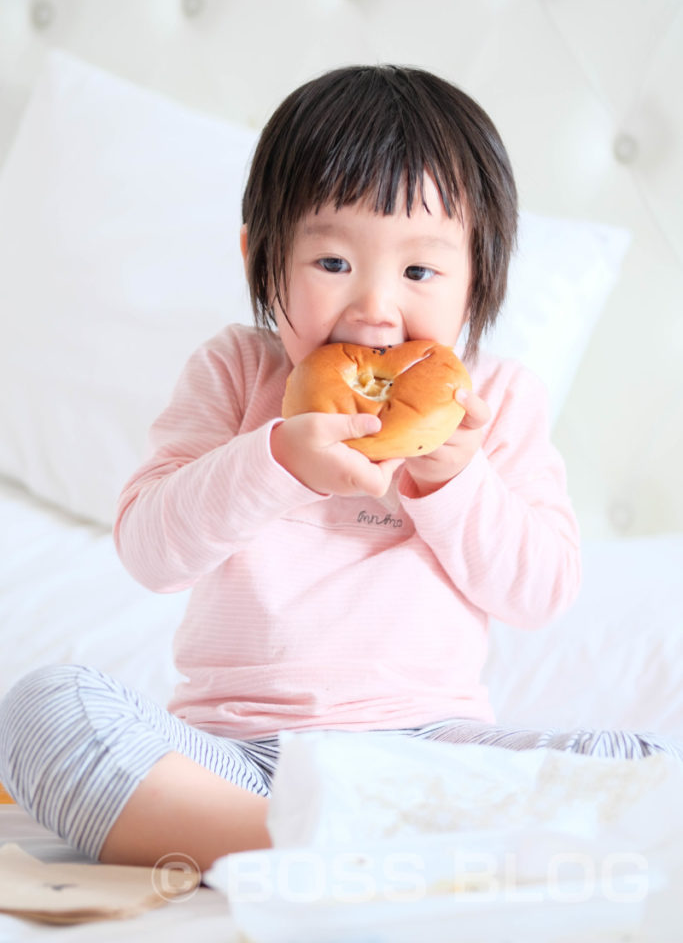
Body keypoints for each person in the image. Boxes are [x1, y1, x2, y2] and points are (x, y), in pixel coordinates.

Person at [0, 65, 680, 872]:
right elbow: (150, 553)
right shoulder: (234, 375)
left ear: (479, 278)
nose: (374, 309)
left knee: (639, 761)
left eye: (418, 271)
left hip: (429, 751)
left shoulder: (494, 402)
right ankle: (344, 846)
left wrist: (455, 484)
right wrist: (277, 457)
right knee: (44, 711)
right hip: (237, 759)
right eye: (331, 264)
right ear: (263, 260)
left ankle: (365, 838)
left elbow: (540, 593)